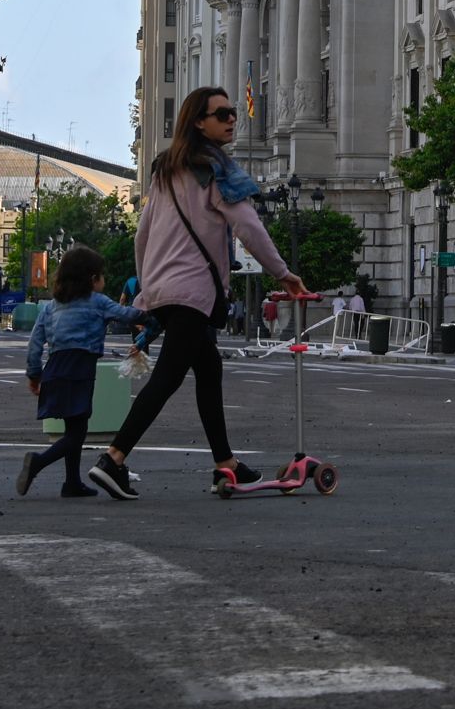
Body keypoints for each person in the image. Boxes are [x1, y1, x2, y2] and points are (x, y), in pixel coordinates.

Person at [87, 86, 299, 500]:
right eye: (222, 114)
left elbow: (142, 236)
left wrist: (148, 285)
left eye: (233, 112)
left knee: (209, 370)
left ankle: (226, 464)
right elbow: (248, 226)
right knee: (167, 377)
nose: (232, 120)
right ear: (199, 122)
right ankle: (112, 459)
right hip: (191, 292)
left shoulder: (167, 169)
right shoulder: (215, 169)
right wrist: (283, 272)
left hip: (165, 288)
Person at [14, 244, 146, 498]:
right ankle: (38, 462)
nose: (103, 280)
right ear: (92, 278)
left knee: (72, 426)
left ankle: (71, 483)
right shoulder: (97, 301)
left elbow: (35, 342)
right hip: (79, 368)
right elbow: (126, 314)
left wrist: (34, 373)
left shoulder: (51, 307)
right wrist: (149, 316)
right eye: (101, 275)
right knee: (78, 430)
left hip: (54, 368)